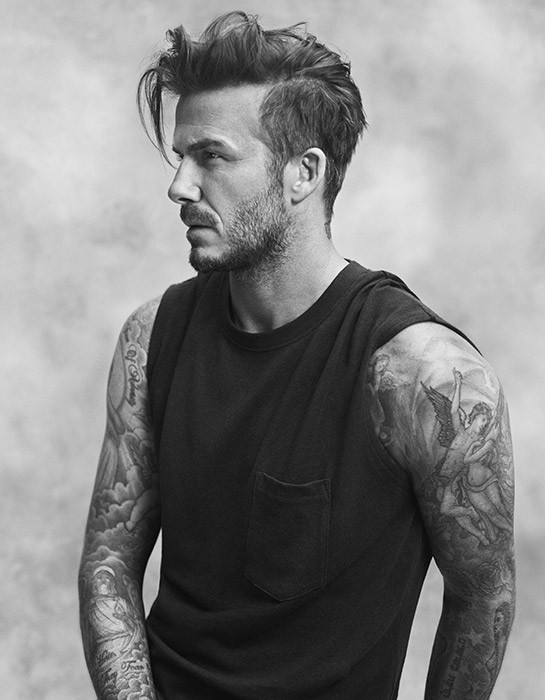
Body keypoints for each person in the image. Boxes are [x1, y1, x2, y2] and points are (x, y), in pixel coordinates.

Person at [78, 11, 515, 699]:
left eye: (211, 156)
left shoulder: (425, 376)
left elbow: (482, 595)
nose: (180, 186)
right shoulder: (152, 337)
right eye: (180, 157)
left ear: (303, 172)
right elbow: (108, 561)